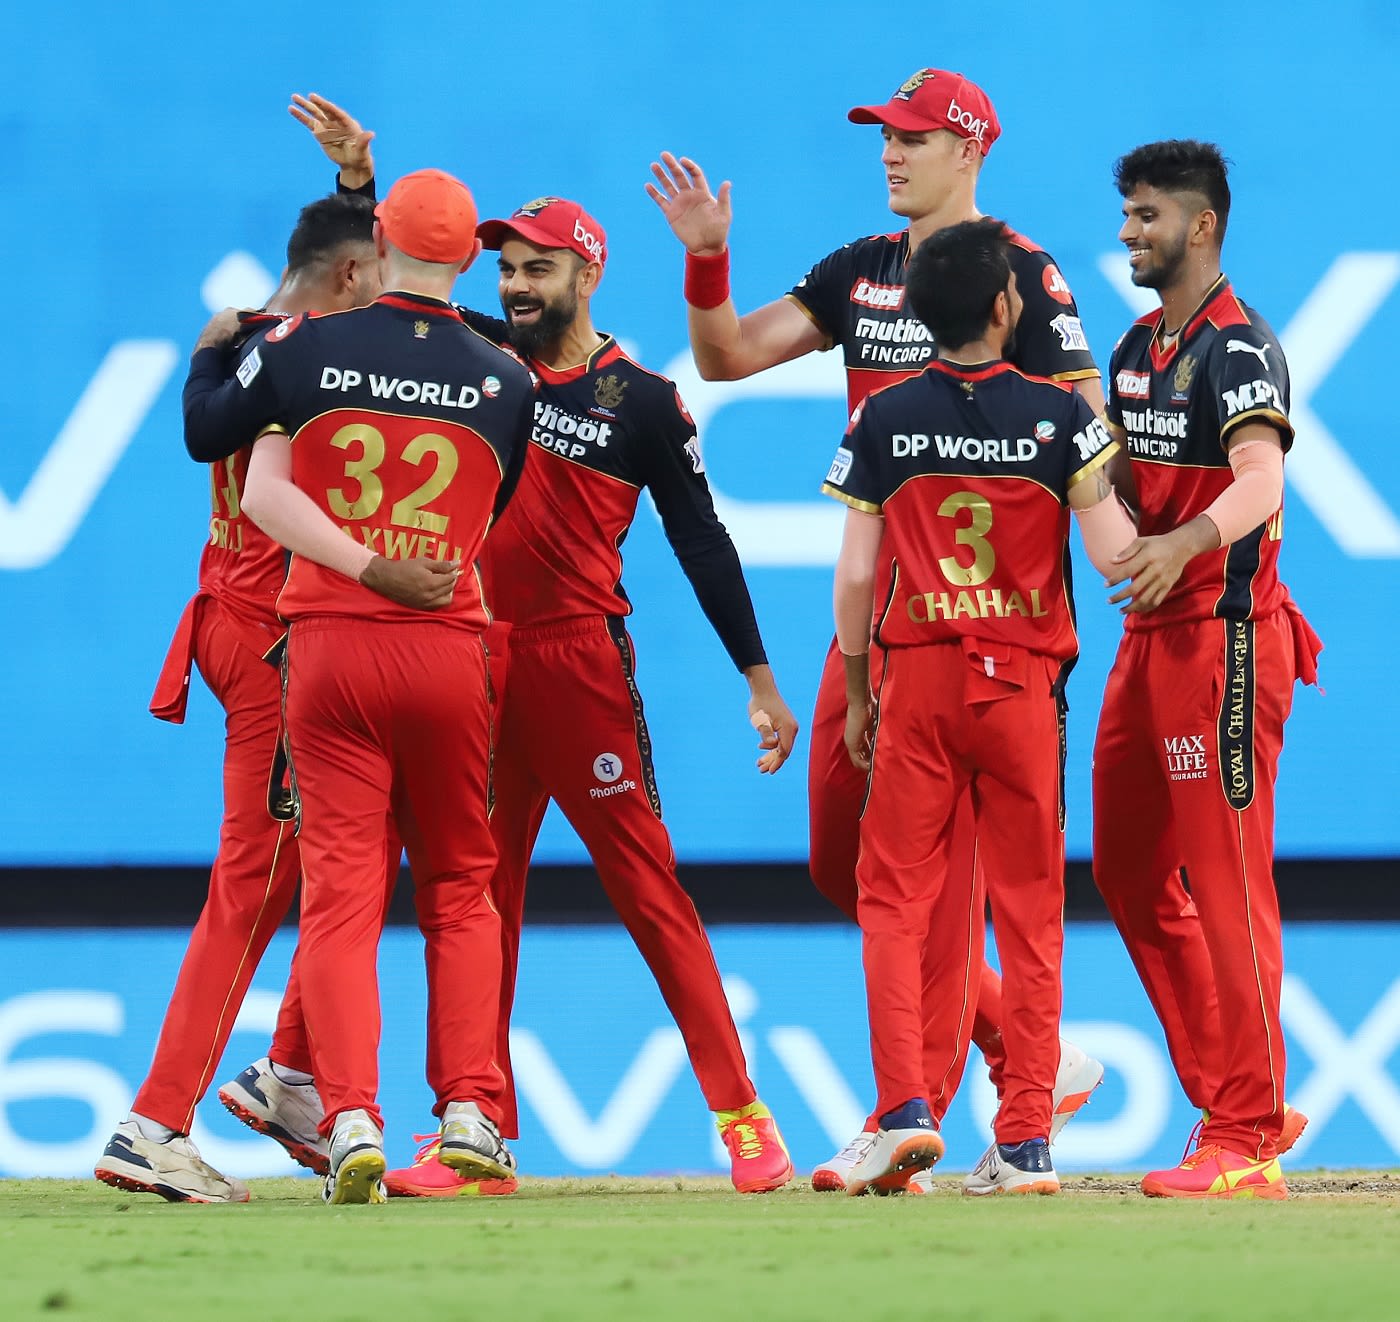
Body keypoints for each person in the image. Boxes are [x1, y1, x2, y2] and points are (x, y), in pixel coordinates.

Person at [650, 68, 1106, 1190]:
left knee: (922, 879)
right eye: (883, 137)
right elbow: (725, 356)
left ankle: (911, 1105)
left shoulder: (1022, 277)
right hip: (880, 623)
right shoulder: (860, 269)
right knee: (842, 853)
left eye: (911, 137)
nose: (890, 153)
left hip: (977, 629)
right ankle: (1011, 1047)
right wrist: (706, 254)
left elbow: (1088, 423)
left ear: (970, 148)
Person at [376, 193, 800, 1198]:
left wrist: (759, 679)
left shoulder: (641, 400)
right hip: (473, 659)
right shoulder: (474, 356)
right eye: (505, 270)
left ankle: (742, 1115)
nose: (515, 287)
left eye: (537, 268)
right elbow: (390, 278)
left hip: (578, 667)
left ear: (587, 273)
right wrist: (363, 185)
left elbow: (700, 539)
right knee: (472, 898)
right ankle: (473, 1129)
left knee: (645, 885)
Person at [174, 167, 535, 1205]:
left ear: (378, 241)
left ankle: (348, 1118)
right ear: (469, 258)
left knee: (338, 890)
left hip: (327, 644)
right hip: (445, 640)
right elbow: (487, 503)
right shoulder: (506, 378)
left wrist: (360, 561)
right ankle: (468, 1108)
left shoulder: (303, 352)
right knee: (461, 885)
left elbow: (234, 457)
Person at [825, 218, 1133, 1195]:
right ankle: (1029, 1138)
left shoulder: (880, 420)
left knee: (892, 897)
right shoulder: (1060, 417)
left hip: (914, 674)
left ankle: (903, 1108)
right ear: (1005, 309)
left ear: (914, 312)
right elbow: (1113, 551)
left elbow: (854, 573)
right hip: (1021, 686)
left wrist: (856, 686)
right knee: (1030, 909)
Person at [94, 190, 382, 1204]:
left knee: (353, 849)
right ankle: (155, 1122)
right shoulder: (319, 360)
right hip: (275, 644)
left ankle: (292, 1075)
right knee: (255, 883)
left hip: (232, 612)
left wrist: (356, 188)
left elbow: (321, 274)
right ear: (353, 279)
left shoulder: (254, 336)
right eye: (385, 281)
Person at [1093, 140, 1321, 1200]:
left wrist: (1180, 546)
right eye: (1126, 214)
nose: (1129, 231)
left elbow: (1259, 479)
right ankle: (1233, 1102)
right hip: (1148, 641)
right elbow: (1120, 492)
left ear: (1200, 225)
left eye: (1145, 215)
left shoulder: (1238, 348)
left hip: (1223, 642)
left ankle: (1244, 1126)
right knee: (1129, 872)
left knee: (1225, 880)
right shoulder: (1136, 344)